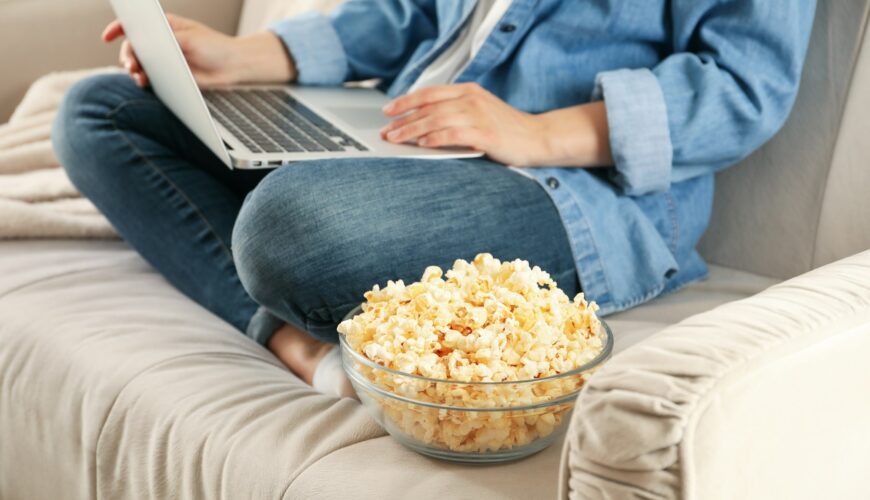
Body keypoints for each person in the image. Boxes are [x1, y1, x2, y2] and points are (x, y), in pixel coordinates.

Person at [53, 0, 816, 396]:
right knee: (97, 111)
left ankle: (288, 325)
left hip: (569, 184)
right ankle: (296, 338)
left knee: (288, 227)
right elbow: (416, 14)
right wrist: (249, 55)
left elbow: (746, 87)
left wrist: (533, 131)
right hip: (407, 130)